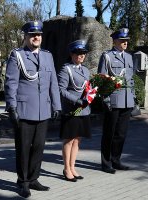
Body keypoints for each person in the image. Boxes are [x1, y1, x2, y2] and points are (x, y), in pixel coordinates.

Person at [4, 20, 61, 198]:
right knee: (23, 148)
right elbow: (11, 83)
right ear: (26, 36)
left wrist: (56, 105)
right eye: (32, 34)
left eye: (39, 35)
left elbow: (53, 83)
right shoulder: (17, 55)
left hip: (43, 110)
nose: (36, 37)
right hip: (24, 110)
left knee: (38, 147)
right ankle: (23, 182)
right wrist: (11, 107)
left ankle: (34, 178)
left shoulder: (47, 56)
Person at [97, 28, 135, 174]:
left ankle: (116, 160)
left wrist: (133, 98)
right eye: (122, 40)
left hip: (127, 101)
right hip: (113, 100)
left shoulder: (129, 57)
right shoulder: (107, 56)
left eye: (126, 40)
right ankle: (106, 163)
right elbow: (101, 79)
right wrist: (105, 99)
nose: (125, 43)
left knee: (121, 133)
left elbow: (130, 79)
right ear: (115, 41)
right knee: (109, 133)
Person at [57, 40, 92, 182]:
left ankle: (72, 167)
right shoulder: (66, 69)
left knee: (77, 140)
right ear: (72, 54)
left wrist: (91, 95)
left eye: (83, 53)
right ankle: (66, 168)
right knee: (69, 139)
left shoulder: (85, 70)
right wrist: (77, 101)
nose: (81, 55)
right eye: (78, 53)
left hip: (83, 110)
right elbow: (61, 90)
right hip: (72, 109)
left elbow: (87, 88)